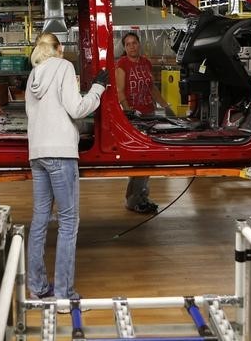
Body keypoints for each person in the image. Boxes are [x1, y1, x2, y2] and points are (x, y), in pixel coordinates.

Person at [25, 32, 108, 301]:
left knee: (39, 222)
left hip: (37, 153)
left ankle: (37, 288)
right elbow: (76, 108)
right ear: (59, 48)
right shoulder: (64, 66)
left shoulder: (33, 75)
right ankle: (63, 292)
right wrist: (98, 89)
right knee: (68, 223)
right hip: (61, 153)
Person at [115, 31, 171, 214]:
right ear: (124, 48)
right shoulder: (122, 64)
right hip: (135, 117)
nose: (132, 46)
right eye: (128, 44)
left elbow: (152, 87)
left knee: (149, 160)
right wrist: (128, 109)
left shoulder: (146, 62)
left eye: (134, 43)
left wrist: (165, 105)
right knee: (141, 159)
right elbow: (120, 90)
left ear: (139, 44)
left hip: (150, 114)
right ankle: (133, 199)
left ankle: (141, 197)